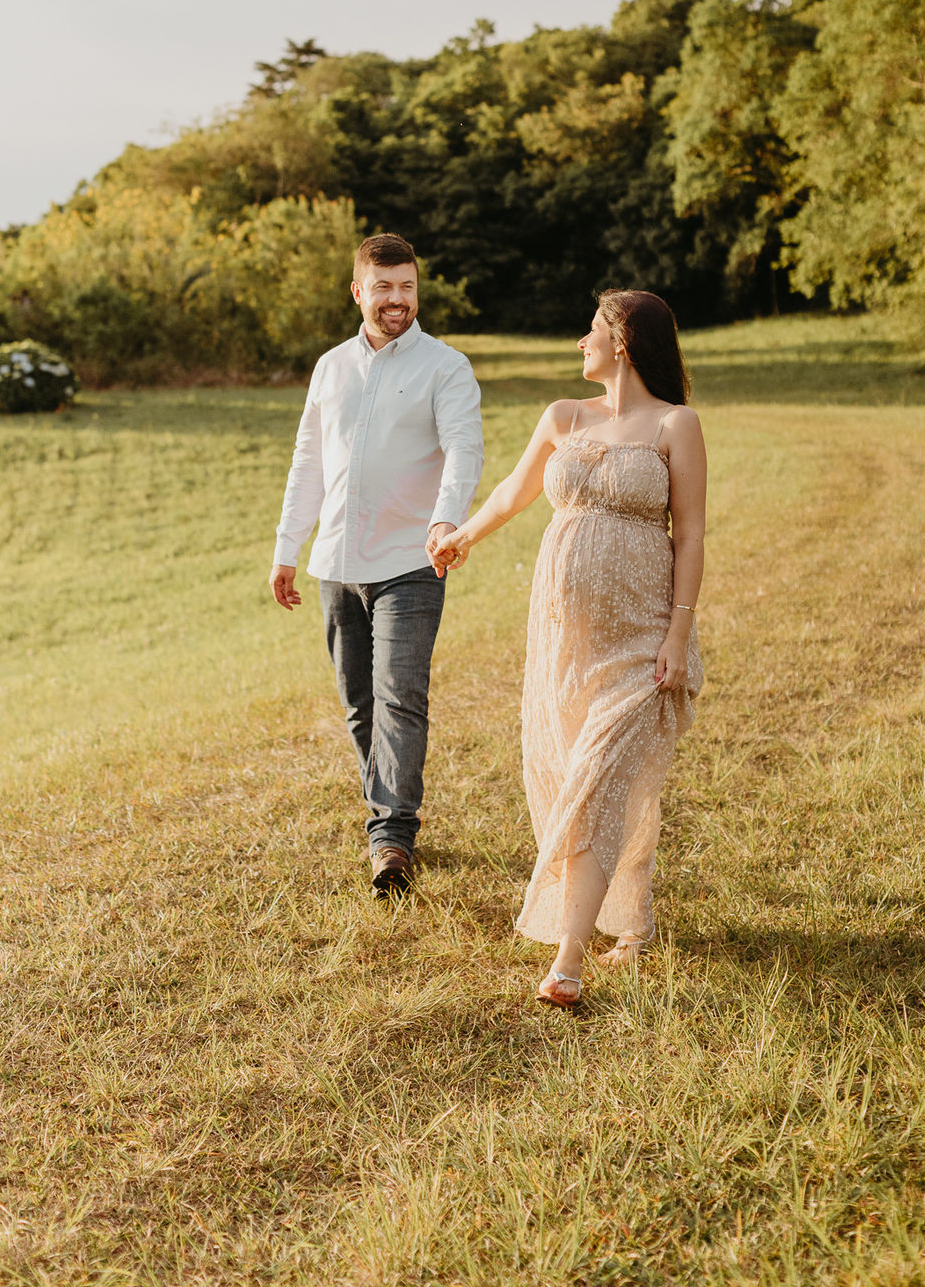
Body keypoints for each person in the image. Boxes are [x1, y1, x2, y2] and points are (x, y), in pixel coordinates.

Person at [431, 289, 705, 1007]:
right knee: (589, 781)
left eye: (591, 330)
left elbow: (691, 533)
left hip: (642, 635)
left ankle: (568, 960)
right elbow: (511, 494)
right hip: (564, 639)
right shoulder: (563, 417)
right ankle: (630, 921)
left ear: (623, 341)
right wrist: (461, 537)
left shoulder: (675, 424)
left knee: (598, 777)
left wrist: (678, 633)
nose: (581, 342)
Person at [269, 233, 484, 899]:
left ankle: (392, 836)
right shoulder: (330, 368)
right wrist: (287, 549)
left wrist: (445, 520)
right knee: (359, 707)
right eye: (384, 288)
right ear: (358, 291)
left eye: (407, 287)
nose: (398, 300)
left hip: (411, 561)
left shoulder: (446, 367)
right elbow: (308, 462)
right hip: (336, 562)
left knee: (399, 697)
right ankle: (389, 816)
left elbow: (464, 449)